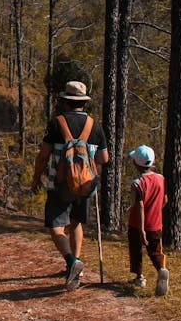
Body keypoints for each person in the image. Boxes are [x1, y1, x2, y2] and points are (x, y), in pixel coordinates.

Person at [32, 80, 109, 291]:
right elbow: (104, 158)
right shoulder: (95, 126)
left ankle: (71, 262)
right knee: (76, 223)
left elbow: (43, 155)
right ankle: (77, 266)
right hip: (85, 184)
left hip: (60, 184)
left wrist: (36, 177)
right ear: (83, 103)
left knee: (56, 227)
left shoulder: (57, 123)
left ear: (65, 101)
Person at [127, 145, 169, 296]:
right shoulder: (161, 179)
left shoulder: (137, 183)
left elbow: (139, 207)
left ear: (136, 164)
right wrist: (157, 209)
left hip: (137, 224)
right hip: (156, 223)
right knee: (155, 251)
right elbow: (164, 200)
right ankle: (161, 270)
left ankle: (139, 277)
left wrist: (141, 229)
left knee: (136, 250)